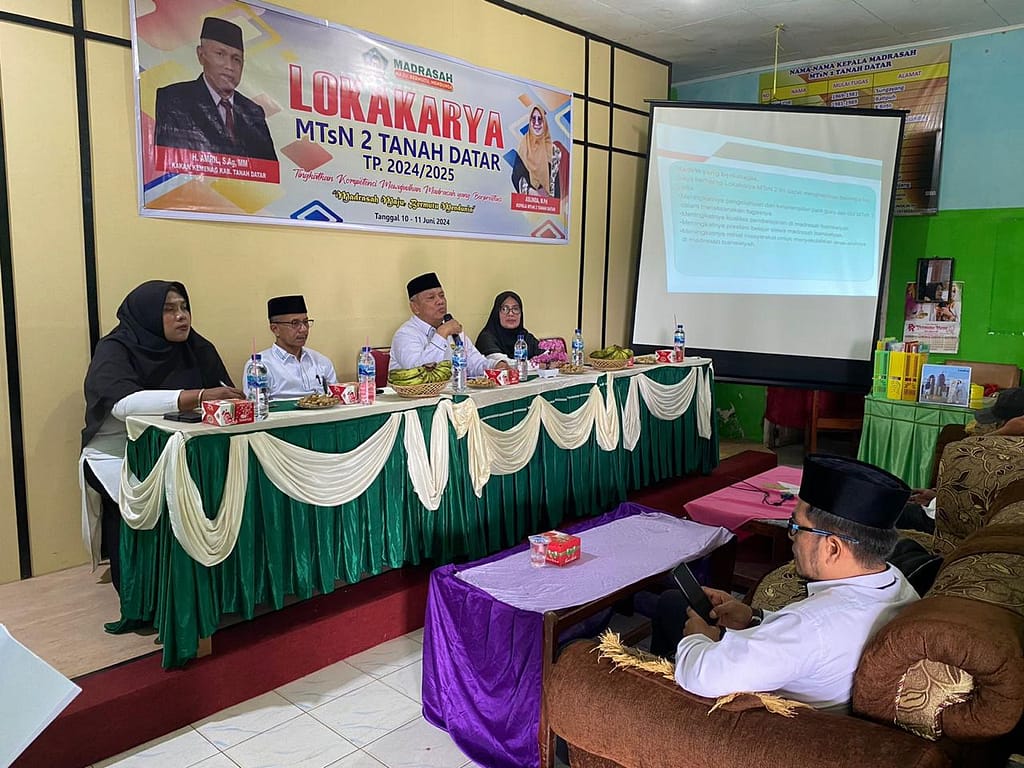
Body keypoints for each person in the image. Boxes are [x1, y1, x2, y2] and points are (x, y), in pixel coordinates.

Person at [650, 454, 918, 712]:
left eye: (796, 527)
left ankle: (655, 699)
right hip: (806, 670)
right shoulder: (895, 581)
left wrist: (697, 637)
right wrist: (753, 617)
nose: (792, 537)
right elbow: (805, 641)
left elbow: (702, 676)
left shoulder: (812, 626)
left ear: (833, 548)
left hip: (757, 718)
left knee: (679, 614)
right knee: (672, 602)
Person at [79, 281, 242, 591]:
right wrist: (197, 395)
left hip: (176, 446)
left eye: (184, 307)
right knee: (135, 509)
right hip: (117, 452)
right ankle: (138, 593)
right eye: (169, 309)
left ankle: (195, 587)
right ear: (147, 315)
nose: (181, 316)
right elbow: (123, 404)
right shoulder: (115, 348)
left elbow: (222, 394)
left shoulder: (196, 347)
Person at [154, 17, 277, 161]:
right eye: (220, 54)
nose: (229, 66)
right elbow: (169, 160)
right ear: (201, 55)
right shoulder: (174, 99)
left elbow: (270, 169)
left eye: (236, 59)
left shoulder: (253, 112)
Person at [390, 272, 506, 378]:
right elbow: (420, 373)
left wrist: (495, 365)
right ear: (415, 307)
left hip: (454, 391)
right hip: (416, 395)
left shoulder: (452, 329)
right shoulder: (405, 334)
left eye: (442, 295)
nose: (440, 301)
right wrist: (442, 334)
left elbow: (475, 363)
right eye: (431, 298)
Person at [248, 295, 337, 399]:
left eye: (305, 322)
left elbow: (336, 398)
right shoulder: (260, 366)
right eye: (295, 323)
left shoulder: (321, 361)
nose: (303, 329)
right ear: (275, 329)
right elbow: (256, 404)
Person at [475, 291, 542, 364]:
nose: (510, 314)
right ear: (497, 313)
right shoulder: (486, 338)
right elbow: (504, 364)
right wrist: (537, 365)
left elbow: (546, 356)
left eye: (515, 309)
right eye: (505, 309)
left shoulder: (526, 337)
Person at [510, 106, 561, 197]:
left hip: (548, 203)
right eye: (533, 119)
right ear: (529, 122)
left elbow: (555, 183)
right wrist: (531, 192)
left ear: (545, 123)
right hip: (529, 201)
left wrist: (549, 200)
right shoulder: (523, 146)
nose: (537, 123)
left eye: (540, 119)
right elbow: (517, 176)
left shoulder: (554, 151)